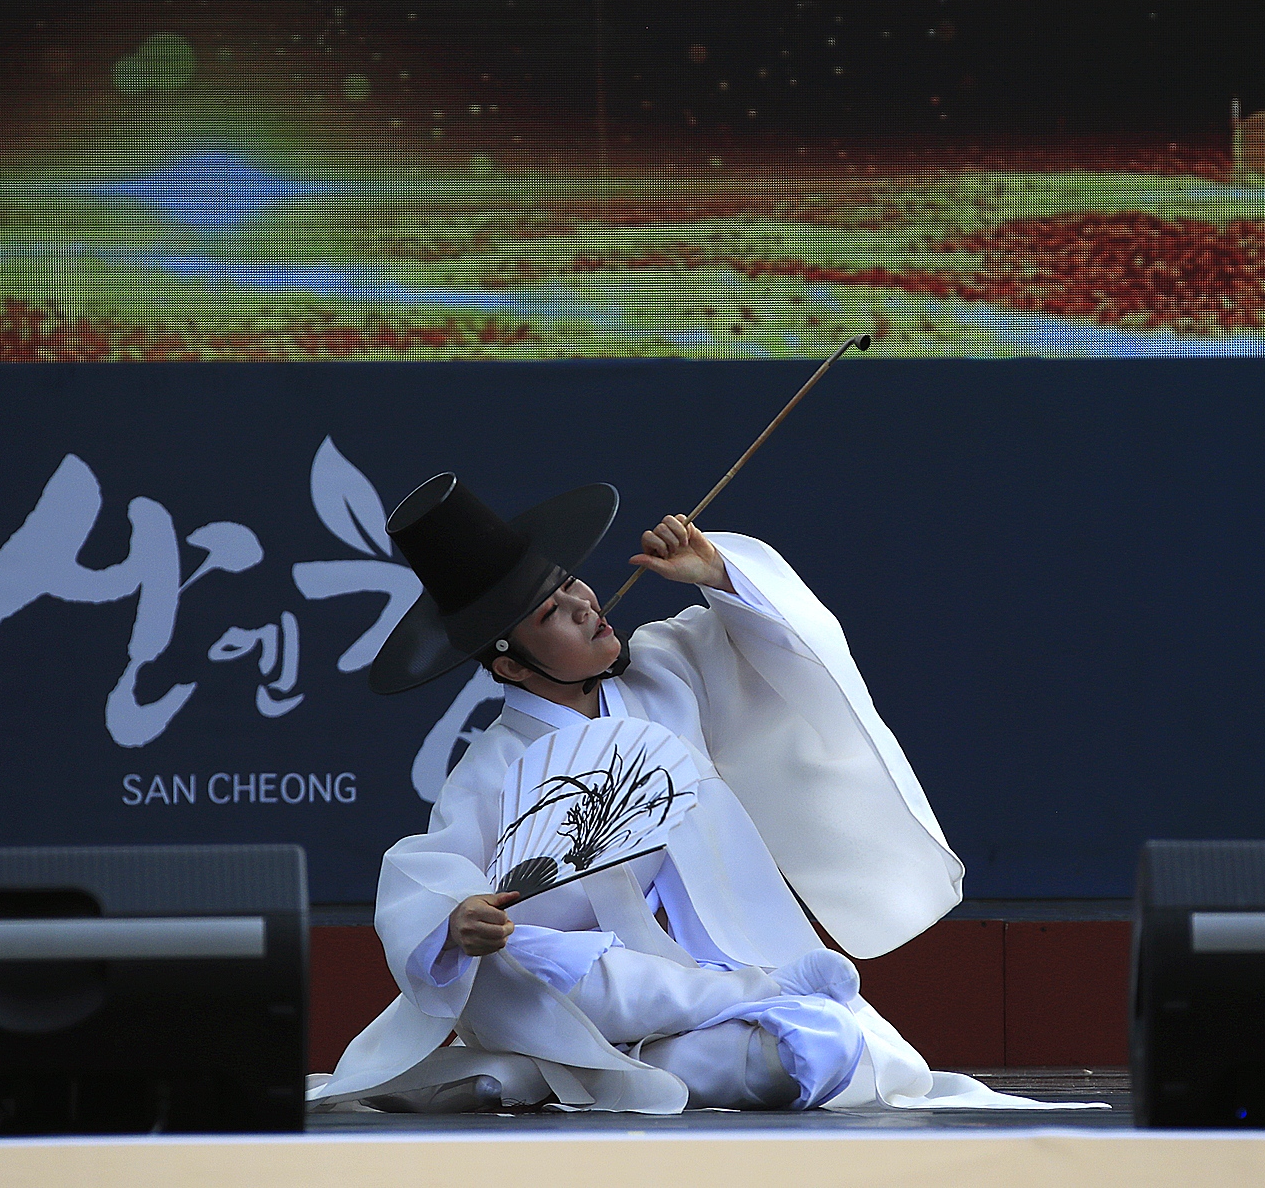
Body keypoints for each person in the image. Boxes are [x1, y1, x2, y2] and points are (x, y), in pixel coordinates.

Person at [305, 473, 1037, 1113]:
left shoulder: (667, 670)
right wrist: (456, 919)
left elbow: (790, 650)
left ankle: (582, 1067)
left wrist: (717, 574)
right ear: (512, 668)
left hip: (707, 956)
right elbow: (425, 873)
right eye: (552, 612)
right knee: (523, 961)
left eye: (570, 582)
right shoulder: (494, 765)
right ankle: (748, 999)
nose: (584, 603)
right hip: (595, 987)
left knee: (823, 1047)